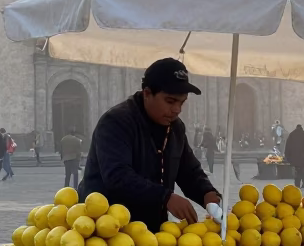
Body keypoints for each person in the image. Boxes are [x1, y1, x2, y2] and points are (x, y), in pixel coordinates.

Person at [79, 57, 222, 229]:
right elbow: (117, 176)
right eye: (170, 101)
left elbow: (189, 171)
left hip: (151, 232)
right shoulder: (116, 122)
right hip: (106, 229)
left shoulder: (175, 127)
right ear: (147, 93)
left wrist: (207, 193)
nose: (177, 109)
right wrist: (165, 197)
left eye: (181, 102)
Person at [284, 124, 304, 189]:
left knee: (297, 170)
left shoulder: (291, 135)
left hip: (294, 158)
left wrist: (286, 156)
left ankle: (297, 184)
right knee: (303, 170)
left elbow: (287, 146)